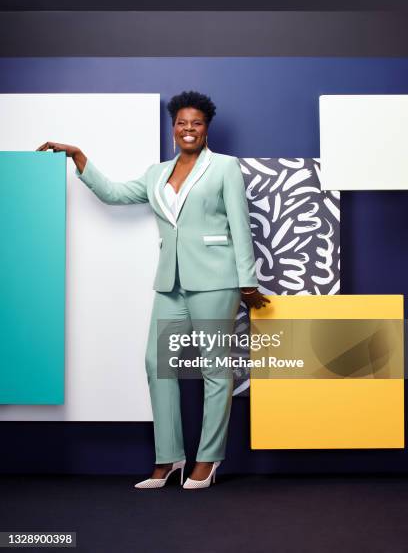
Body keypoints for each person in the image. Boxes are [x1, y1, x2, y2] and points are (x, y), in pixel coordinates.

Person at [36, 90, 270, 489]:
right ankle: (170, 457)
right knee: (156, 365)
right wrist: (79, 157)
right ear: (173, 127)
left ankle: (208, 460)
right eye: (182, 123)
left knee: (216, 371)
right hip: (170, 282)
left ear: (206, 127)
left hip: (216, 279)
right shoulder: (156, 173)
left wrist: (247, 282)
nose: (188, 129)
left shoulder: (225, 168)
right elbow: (114, 194)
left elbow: (239, 223)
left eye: (196, 122)